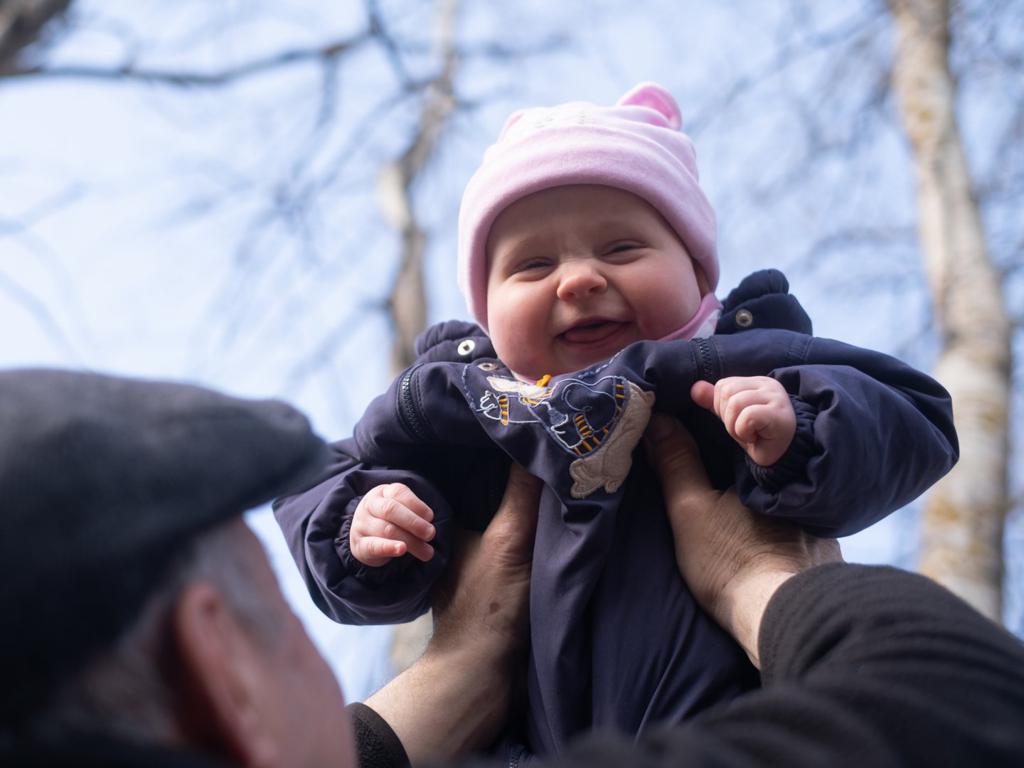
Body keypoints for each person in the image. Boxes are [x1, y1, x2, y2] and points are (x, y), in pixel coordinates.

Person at [273, 82, 959, 753]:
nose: (578, 279)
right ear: (484, 312)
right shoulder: (461, 408)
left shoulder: (739, 364)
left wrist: (802, 428)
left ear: (699, 277)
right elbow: (323, 477)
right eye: (533, 264)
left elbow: (914, 415)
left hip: (738, 731)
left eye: (621, 249)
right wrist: (368, 524)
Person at [0, 368, 1021, 766]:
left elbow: (895, 416)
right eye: (270, 590)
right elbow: (963, 708)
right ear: (219, 662)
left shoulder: (740, 357)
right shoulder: (450, 399)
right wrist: (762, 584)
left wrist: (464, 660)